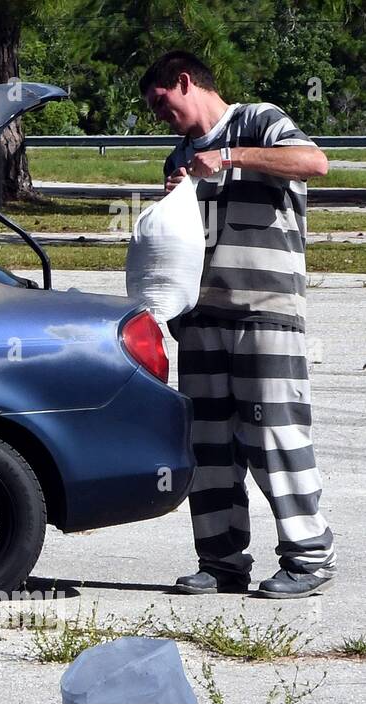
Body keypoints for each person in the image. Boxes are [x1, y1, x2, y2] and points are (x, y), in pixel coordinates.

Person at [139, 51, 335, 598]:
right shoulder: (177, 155)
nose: (159, 115)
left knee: (275, 435)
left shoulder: (260, 121)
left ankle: (309, 556)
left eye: (161, 102)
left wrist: (225, 159)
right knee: (208, 444)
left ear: (184, 82)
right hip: (201, 320)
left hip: (266, 312)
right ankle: (221, 559)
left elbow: (314, 162)